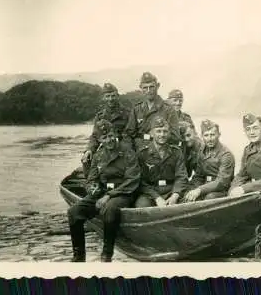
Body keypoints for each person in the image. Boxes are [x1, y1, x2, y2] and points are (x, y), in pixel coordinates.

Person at [68, 119, 141, 262]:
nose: (109, 140)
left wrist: (108, 196)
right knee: (74, 212)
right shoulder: (98, 155)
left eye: (111, 136)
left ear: (115, 133)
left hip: (123, 193)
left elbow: (132, 180)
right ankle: (78, 256)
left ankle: (107, 254)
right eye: (104, 138)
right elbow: (91, 178)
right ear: (100, 139)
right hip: (101, 193)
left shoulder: (128, 152)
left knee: (109, 209)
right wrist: (93, 189)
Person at [134, 116, 189, 207]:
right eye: (158, 131)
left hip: (171, 190)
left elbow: (182, 176)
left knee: (187, 205)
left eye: (165, 131)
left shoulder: (176, 152)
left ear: (169, 133)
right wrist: (157, 198)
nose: (162, 135)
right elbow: (140, 181)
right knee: (142, 207)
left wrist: (175, 196)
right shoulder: (143, 153)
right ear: (151, 133)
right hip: (151, 193)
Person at [81, 83, 130, 176]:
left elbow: (130, 134)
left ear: (118, 96)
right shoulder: (100, 116)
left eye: (113, 96)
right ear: (103, 98)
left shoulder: (127, 114)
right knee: (87, 159)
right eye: (107, 96)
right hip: (106, 147)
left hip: (122, 147)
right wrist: (89, 149)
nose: (110, 99)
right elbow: (95, 136)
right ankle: (92, 182)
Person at [123, 72, 181, 152]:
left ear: (157, 86)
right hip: (140, 151)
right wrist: (130, 151)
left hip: (161, 151)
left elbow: (175, 136)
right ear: (141, 88)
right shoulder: (137, 109)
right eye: (145, 88)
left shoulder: (168, 109)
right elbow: (128, 134)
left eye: (151, 87)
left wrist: (156, 135)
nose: (148, 91)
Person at [183, 119, 236, 202]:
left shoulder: (226, 154)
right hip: (205, 186)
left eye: (212, 135)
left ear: (219, 134)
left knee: (209, 198)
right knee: (185, 194)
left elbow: (222, 182)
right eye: (206, 135)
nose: (209, 139)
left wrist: (199, 190)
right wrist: (191, 189)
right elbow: (199, 176)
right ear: (202, 136)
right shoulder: (202, 151)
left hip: (221, 190)